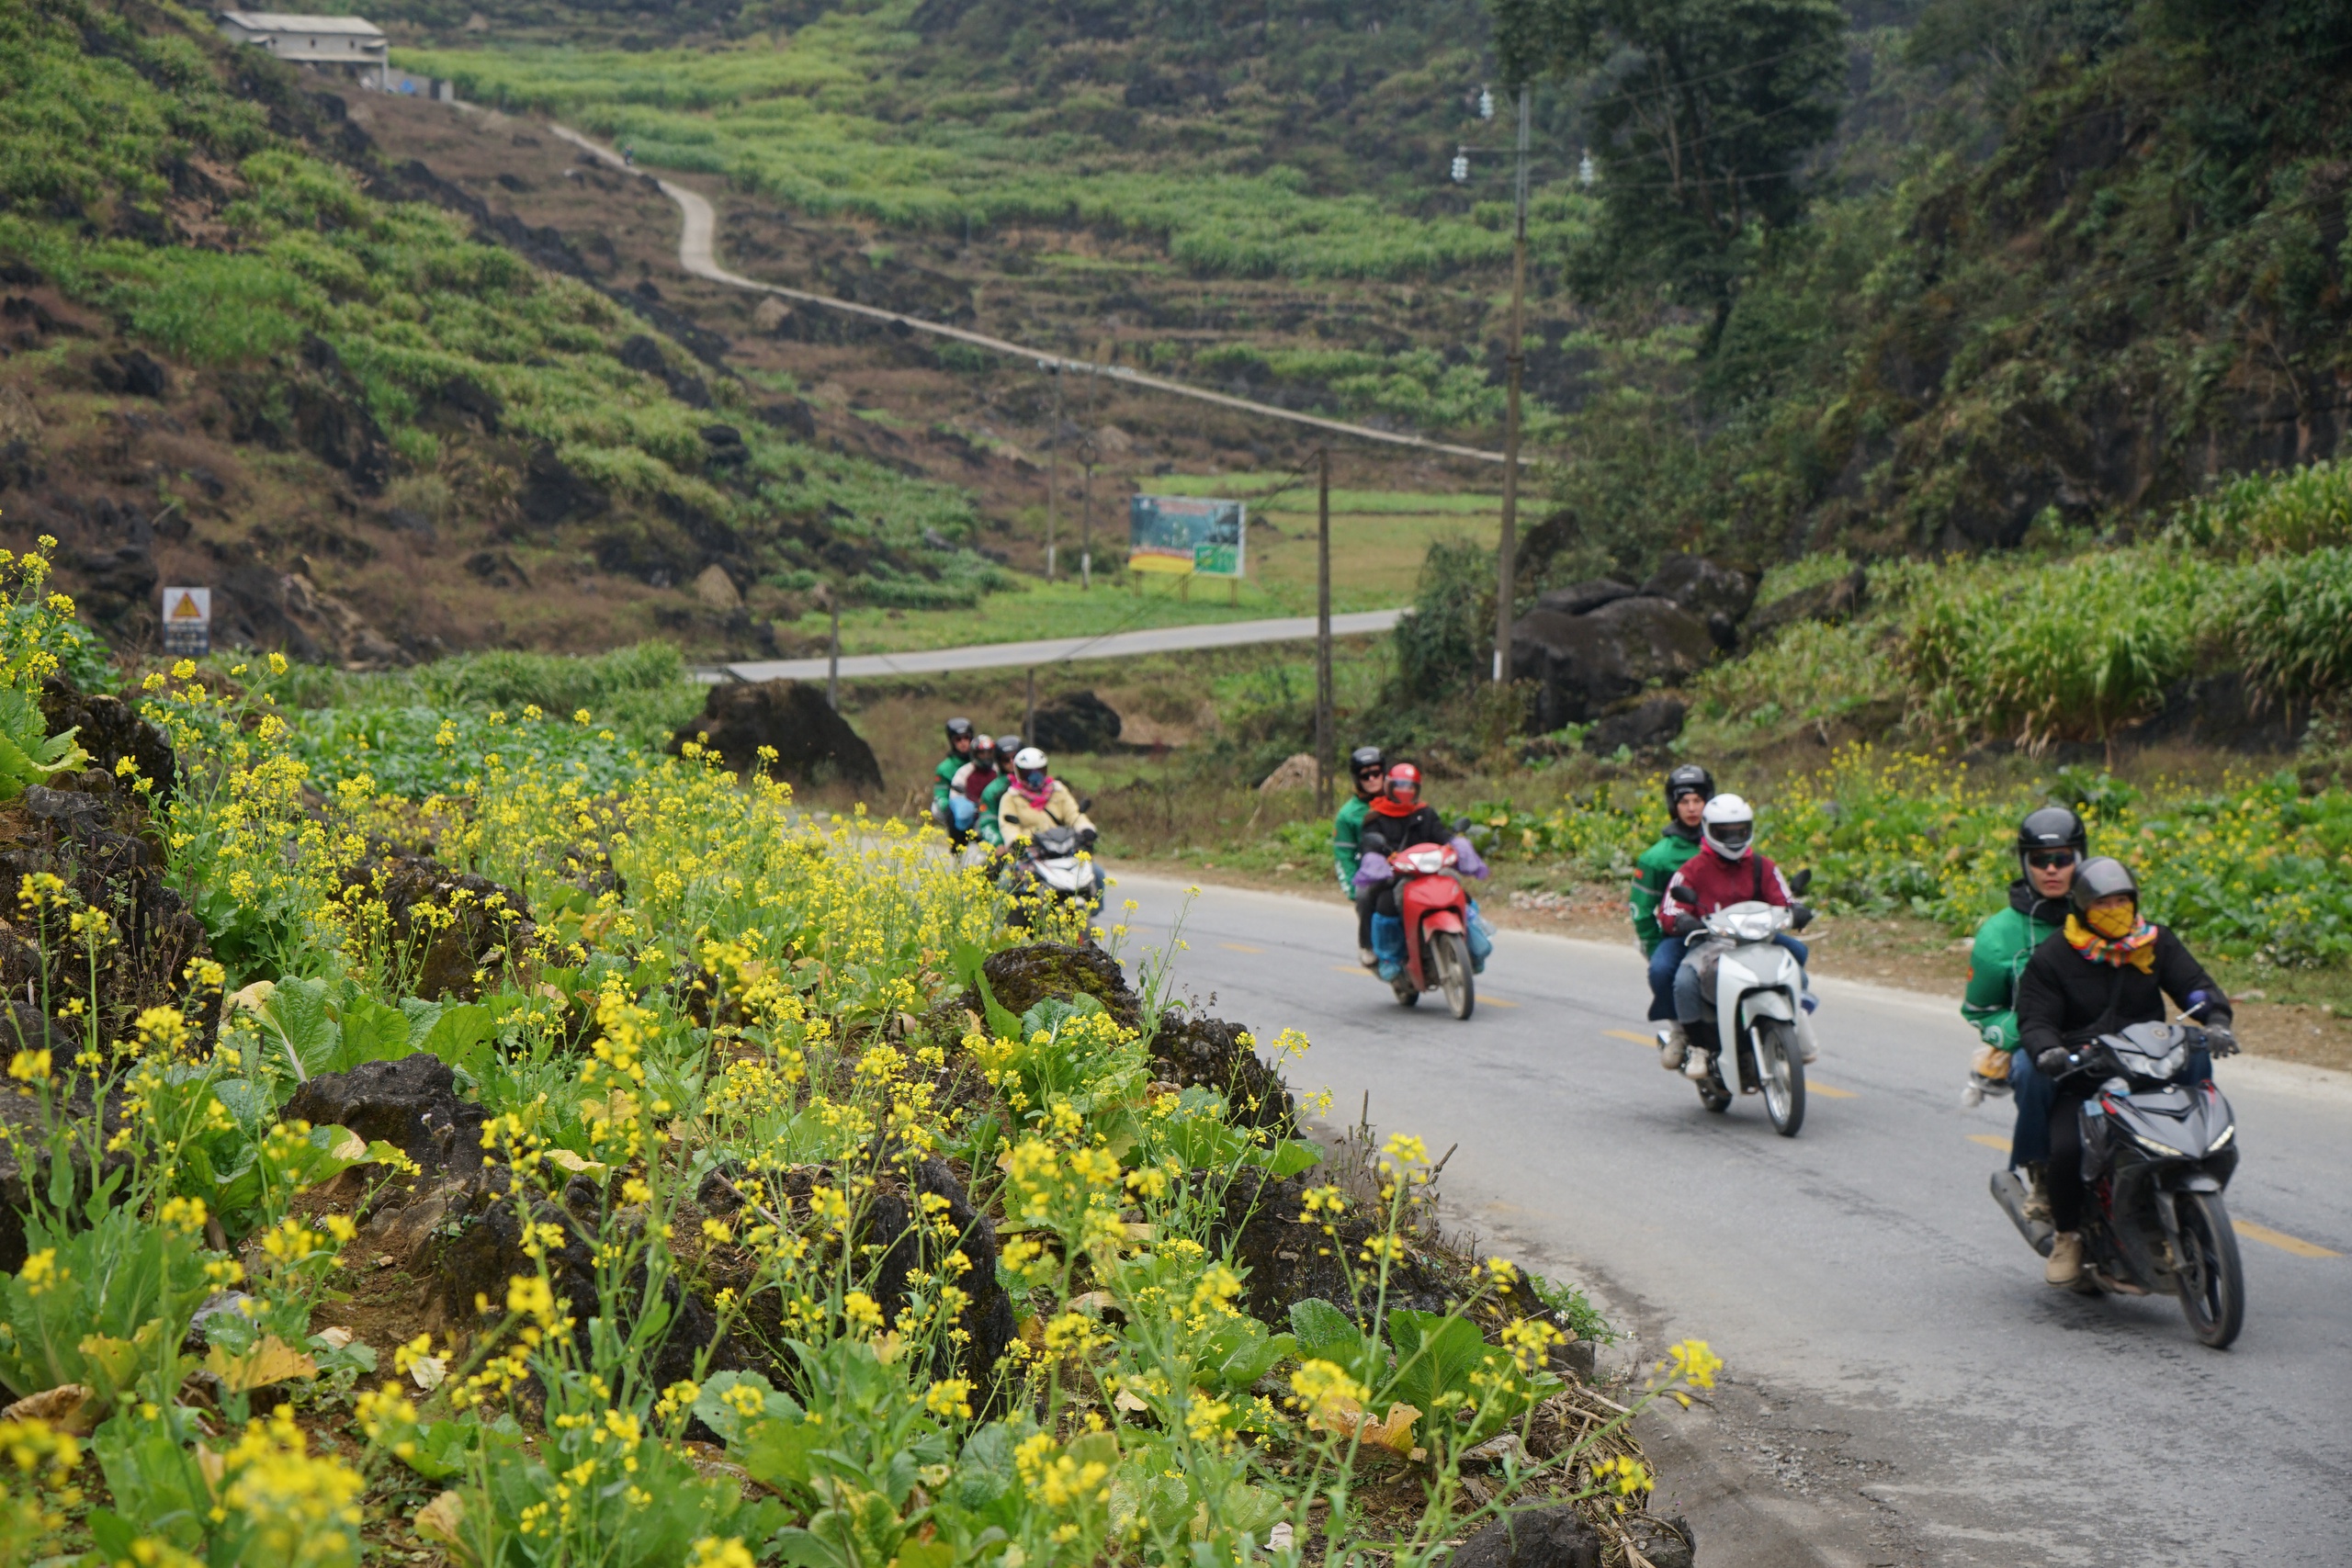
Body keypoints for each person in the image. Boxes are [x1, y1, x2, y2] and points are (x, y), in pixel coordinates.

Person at [2016, 857, 2233, 1290]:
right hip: (2085, 1076)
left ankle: (2182, 1210)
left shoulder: (2155, 944)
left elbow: (2196, 988)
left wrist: (2217, 1021)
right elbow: (2036, 1018)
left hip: (2150, 1071)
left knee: (2201, 1136)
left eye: (2122, 900)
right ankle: (2069, 1235)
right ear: (2081, 907)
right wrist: (2050, 1051)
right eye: (2102, 903)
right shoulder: (2053, 957)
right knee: (2067, 1151)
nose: (2114, 909)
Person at [1962, 806, 2086, 1220]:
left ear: (2080, 859)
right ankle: (2043, 1174)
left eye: (2062, 859)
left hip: (2101, 1036)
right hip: (2039, 1045)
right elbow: (1981, 1011)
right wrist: (2026, 1032)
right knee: (2033, 1074)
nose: (2051, 870)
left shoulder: (2104, 911)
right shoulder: (1998, 936)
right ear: (2024, 863)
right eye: (2039, 860)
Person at [1657, 794, 1812, 1079]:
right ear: (1708, 830)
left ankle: (1796, 1015)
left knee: (1796, 962)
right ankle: (1698, 1045)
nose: (1733, 837)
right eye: (1724, 832)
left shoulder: (1762, 866)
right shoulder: (1692, 869)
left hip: (1757, 940)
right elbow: (1669, 907)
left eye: (1739, 830)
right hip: (1714, 943)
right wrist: (1682, 919)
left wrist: (1797, 910)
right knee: (1685, 981)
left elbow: (1784, 899)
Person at [1352, 763, 1490, 987]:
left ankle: (1475, 945)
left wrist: (1457, 845)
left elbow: (1442, 836)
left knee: (1460, 893)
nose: (1405, 792)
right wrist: (1377, 860)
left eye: (1410, 787)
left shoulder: (1425, 813)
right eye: (1400, 787)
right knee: (1382, 902)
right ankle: (1387, 956)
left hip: (1430, 871)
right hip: (1396, 874)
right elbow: (1370, 843)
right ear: (1390, 788)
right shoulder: (1375, 817)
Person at [1634, 764, 1713, 1023]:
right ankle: (1680, 1028)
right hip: (1681, 935)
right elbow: (1641, 910)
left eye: (1698, 801)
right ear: (1673, 805)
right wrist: (1654, 946)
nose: (1692, 808)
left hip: (1728, 933)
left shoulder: (1726, 844)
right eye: (1684, 802)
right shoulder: (1656, 857)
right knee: (1660, 971)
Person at [1333, 745, 1386, 966]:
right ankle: (1368, 945)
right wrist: (1353, 888)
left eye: (1377, 773)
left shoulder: (1399, 799)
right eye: (1366, 775)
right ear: (1357, 778)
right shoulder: (1348, 815)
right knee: (1365, 897)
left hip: (1405, 865)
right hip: (1371, 872)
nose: (1373, 779)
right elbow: (1343, 855)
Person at [998, 746, 1097, 845]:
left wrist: (1085, 828)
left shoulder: (1058, 790)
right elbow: (1008, 827)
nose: (1034, 777)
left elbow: (1073, 814)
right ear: (1018, 772)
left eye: (1039, 771)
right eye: (1027, 773)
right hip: (1031, 850)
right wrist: (1015, 842)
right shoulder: (1011, 797)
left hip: (1062, 844)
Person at [943, 734, 1002, 847]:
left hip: (994, 810)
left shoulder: (998, 771)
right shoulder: (964, 771)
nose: (986, 756)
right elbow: (955, 796)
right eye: (982, 753)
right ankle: (958, 847)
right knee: (953, 813)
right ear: (975, 754)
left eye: (989, 753)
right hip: (973, 812)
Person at [931, 717, 977, 838]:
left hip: (980, 805)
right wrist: (952, 807)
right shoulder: (944, 768)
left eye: (966, 738)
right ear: (952, 741)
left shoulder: (981, 761)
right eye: (958, 739)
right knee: (936, 808)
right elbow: (940, 795)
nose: (963, 743)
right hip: (957, 807)